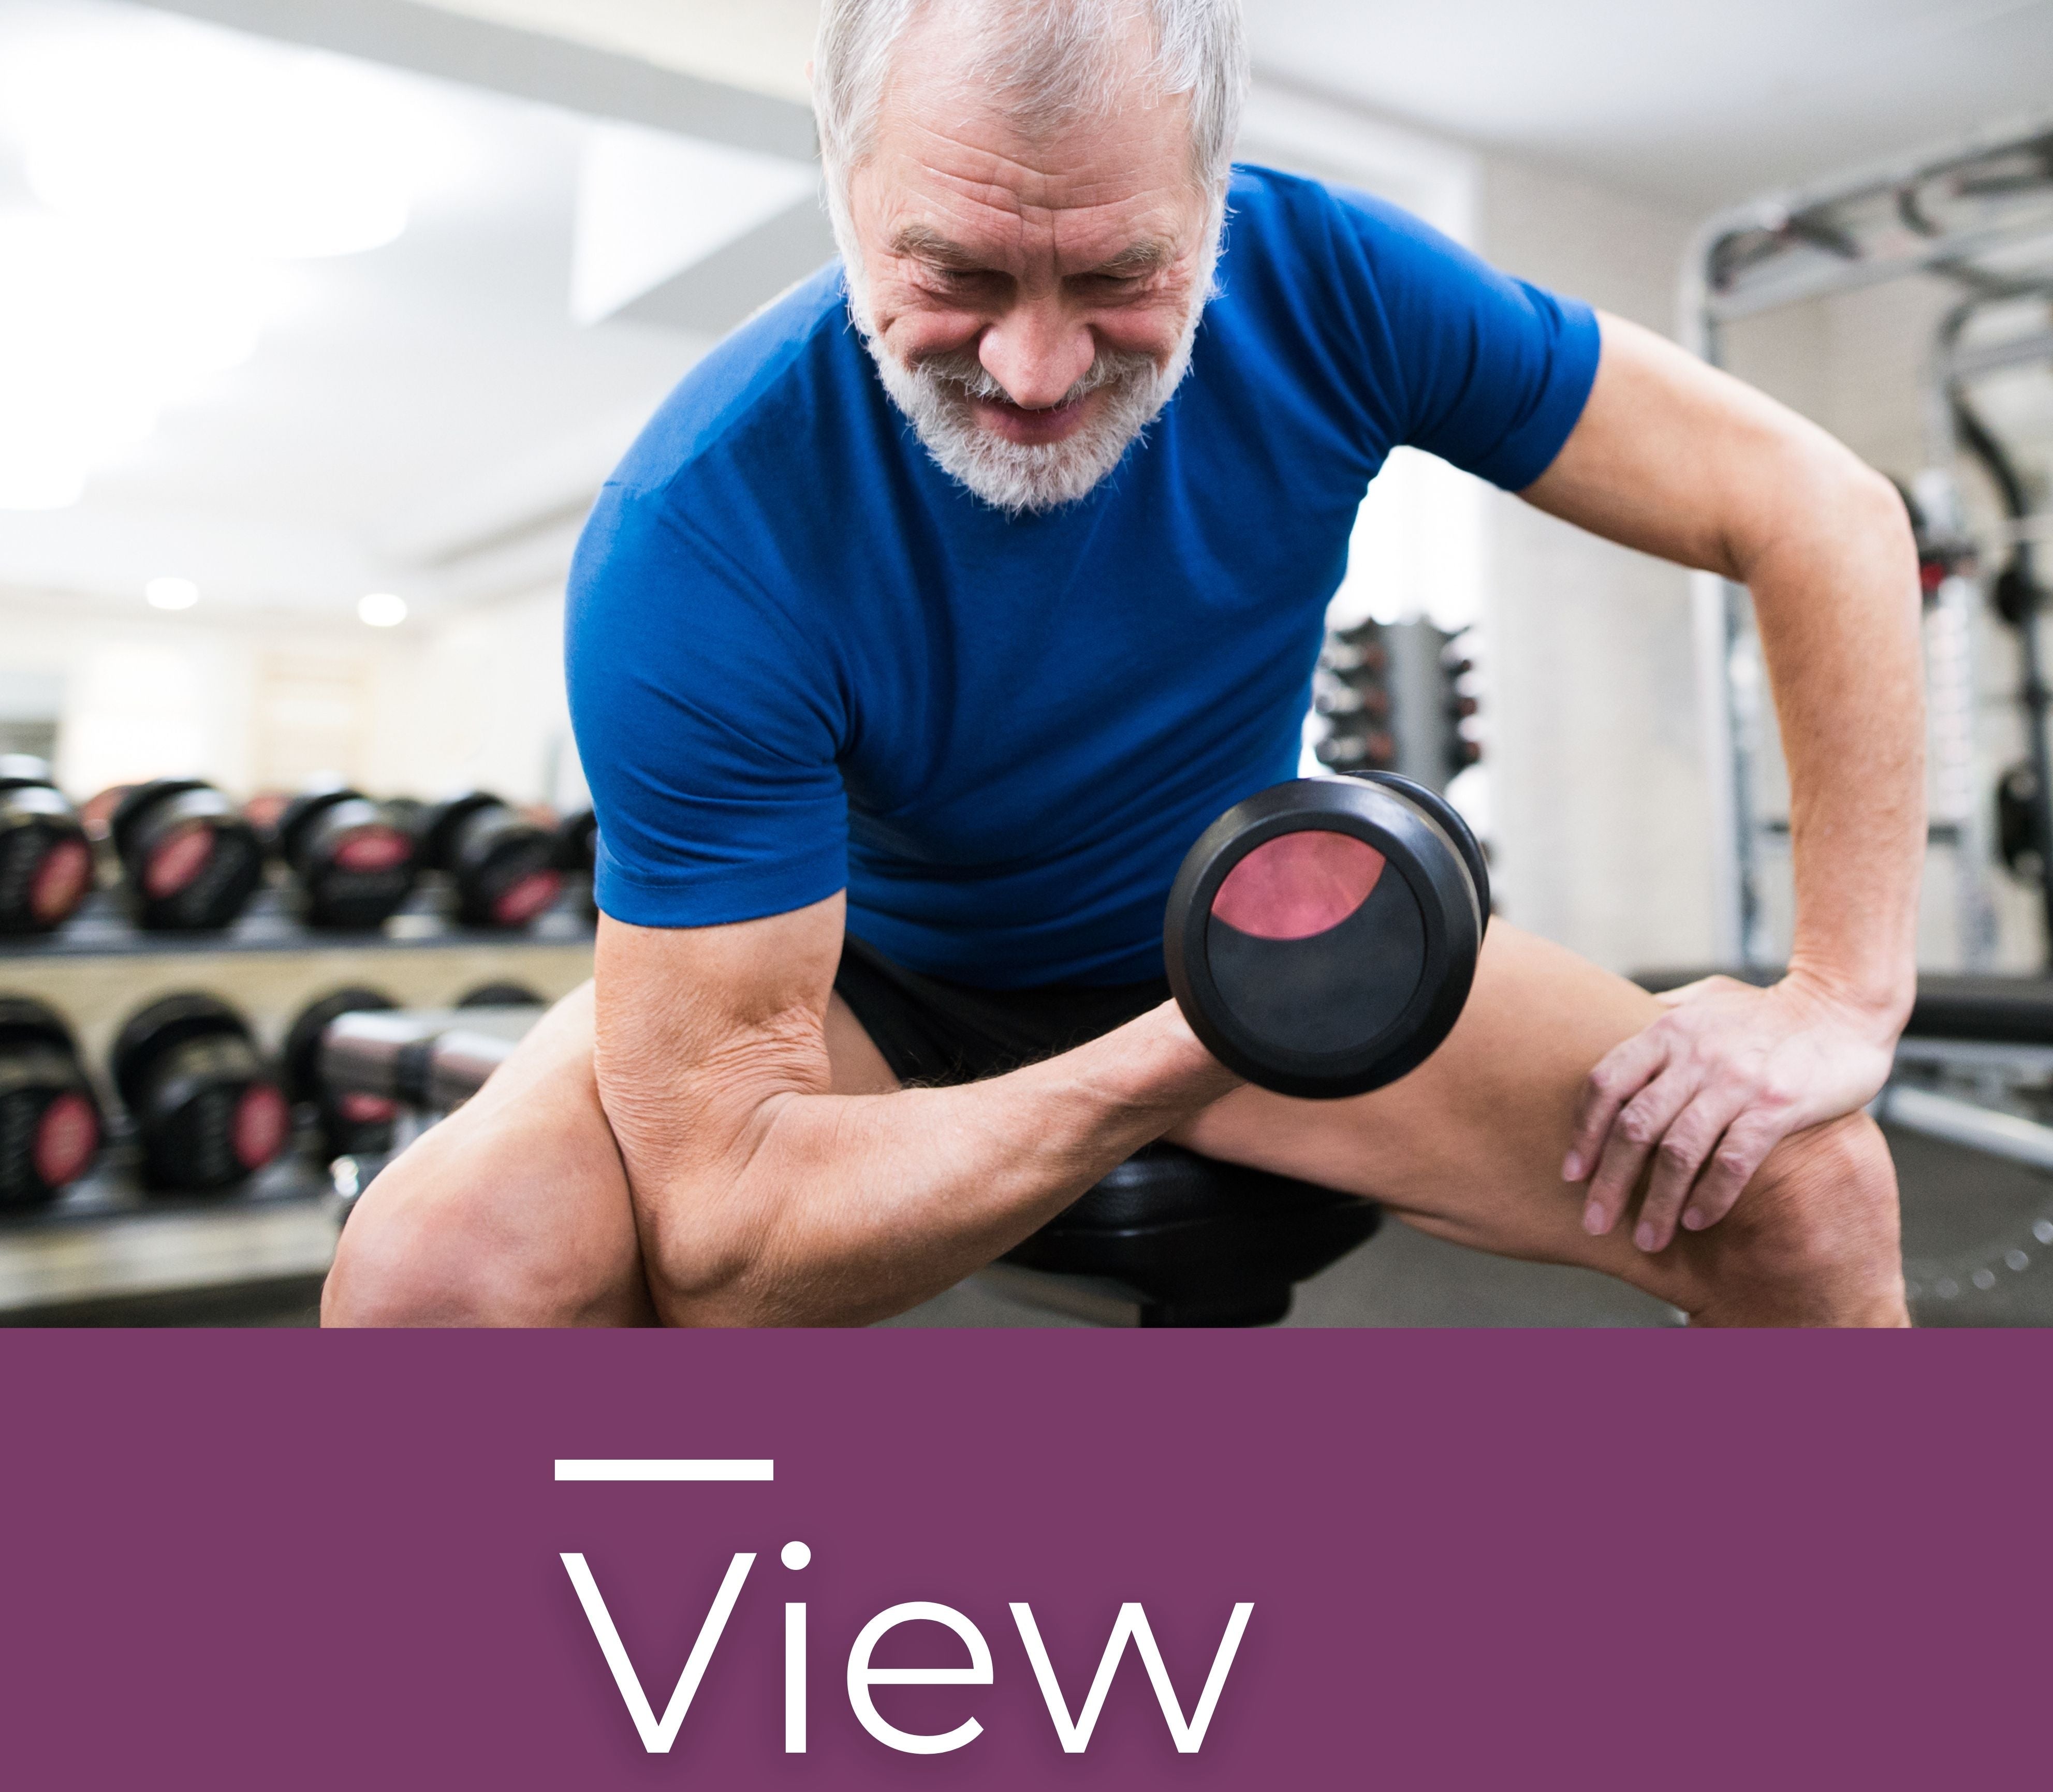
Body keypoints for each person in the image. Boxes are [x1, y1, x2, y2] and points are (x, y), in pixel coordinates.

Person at [325, 0, 1924, 1330]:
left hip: (1232, 912)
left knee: (1807, 1192)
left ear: (1215, 196)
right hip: (858, 974)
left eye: (1116, 278)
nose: (1034, 370)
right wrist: (1202, 1041)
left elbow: (1821, 513)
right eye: (955, 275)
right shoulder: (703, 533)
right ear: (844, 185)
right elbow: (729, 1241)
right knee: (436, 1281)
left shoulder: (1336, 289)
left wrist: (1842, 992)